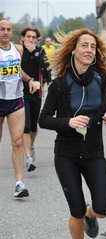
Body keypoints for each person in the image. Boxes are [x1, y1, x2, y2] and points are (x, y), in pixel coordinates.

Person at [38, 28, 106, 239]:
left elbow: (105, 108)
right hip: (66, 155)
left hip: (94, 153)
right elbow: (44, 119)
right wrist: (68, 122)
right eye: (84, 45)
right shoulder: (60, 84)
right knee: (76, 211)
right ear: (73, 49)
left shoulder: (103, 80)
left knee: (102, 209)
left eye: (92, 46)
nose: (89, 50)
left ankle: (91, 215)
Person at [0, 20, 36, 197]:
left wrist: (28, 79)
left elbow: (17, 70)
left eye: (8, 29)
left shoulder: (18, 49)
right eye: (2, 29)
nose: (5, 32)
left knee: (17, 142)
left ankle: (19, 184)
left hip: (16, 100)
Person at [20, 27, 49, 172]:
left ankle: (31, 146)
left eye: (33, 37)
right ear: (22, 38)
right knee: (25, 126)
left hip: (36, 93)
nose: (31, 40)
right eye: (28, 37)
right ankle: (28, 158)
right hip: (21, 93)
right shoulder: (18, 51)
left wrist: (34, 52)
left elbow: (46, 66)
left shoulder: (40, 51)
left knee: (33, 126)